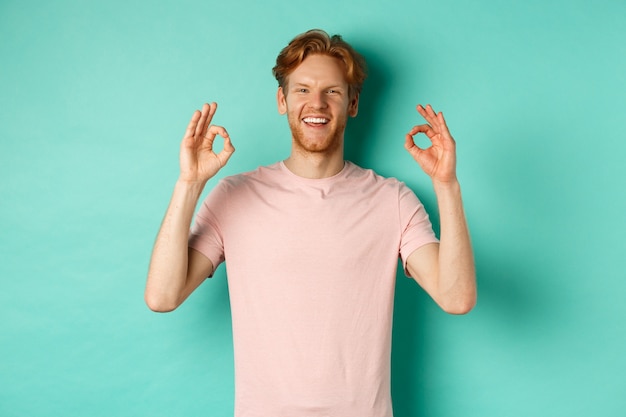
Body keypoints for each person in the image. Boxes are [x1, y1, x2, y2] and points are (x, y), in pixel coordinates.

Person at [145, 29, 476, 417]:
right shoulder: (233, 196)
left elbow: (456, 298)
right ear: (282, 100)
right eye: (302, 90)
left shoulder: (393, 201)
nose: (316, 103)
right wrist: (190, 184)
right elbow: (162, 297)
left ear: (352, 104)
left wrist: (447, 185)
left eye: (332, 91)